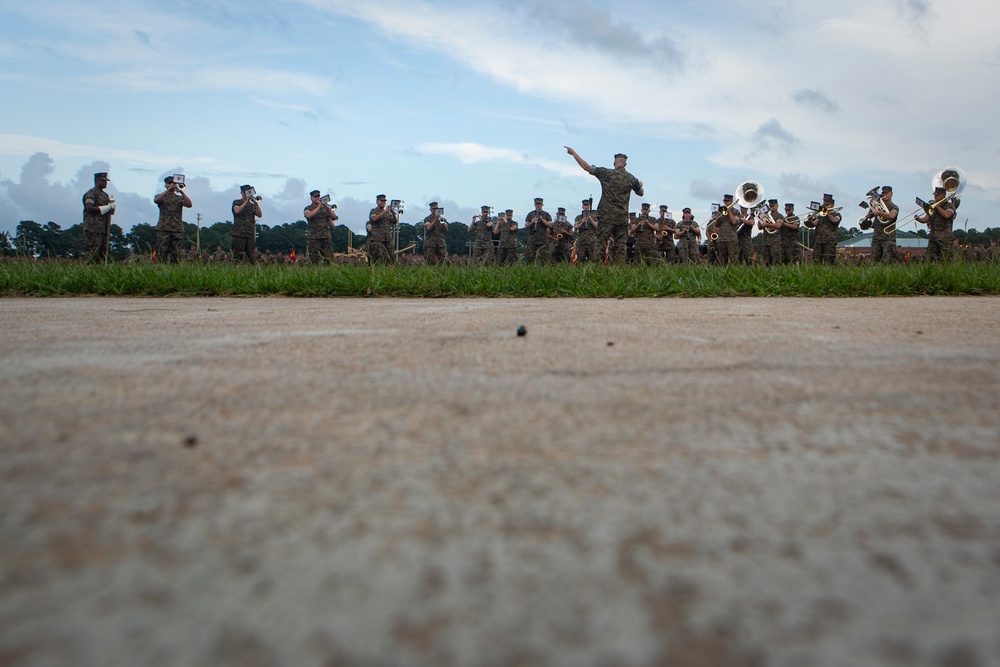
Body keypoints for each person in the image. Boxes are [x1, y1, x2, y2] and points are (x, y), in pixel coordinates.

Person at [564, 147, 643, 264]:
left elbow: (586, 167)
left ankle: (598, 268)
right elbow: (640, 193)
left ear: (614, 163)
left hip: (606, 217)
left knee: (601, 242)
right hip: (622, 217)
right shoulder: (631, 179)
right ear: (625, 165)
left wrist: (574, 153)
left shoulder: (606, 173)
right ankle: (619, 269)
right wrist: (640, 184)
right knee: (621, 246)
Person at [153, 176, 192, 264]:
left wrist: (181, 191)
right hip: (163, 228)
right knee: (162, 252)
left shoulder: (179, 198)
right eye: (170, 183)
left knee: (176, 254)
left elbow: (189, 204)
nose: (172, 185)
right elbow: (156, 200)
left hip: (177, 229)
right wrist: (168, 189)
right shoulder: (161, 196)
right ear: (166, 185)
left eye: (173, 183)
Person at [915, 186, 958, 261]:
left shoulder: (949, 205)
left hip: (945, 238)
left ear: (943, 195)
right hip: (933, 237)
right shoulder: (932, 207)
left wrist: (938, 207)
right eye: (935, 195)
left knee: (946, 259)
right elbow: (926, 218)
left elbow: (947, 215)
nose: (935, 197)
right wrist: (919, 219)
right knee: (930, 258)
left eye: (937, 195)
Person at [82, 171, 115, 263]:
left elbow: (110, 212)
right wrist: (106, 207)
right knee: (92, 253)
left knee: (102, 255)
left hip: (104, 229)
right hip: (93, 228)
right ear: (97, 181)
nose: (105, 183)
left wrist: (111, 206)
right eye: (103, 181)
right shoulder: (91, 193)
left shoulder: (105, 196)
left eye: (106, 181)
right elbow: (89, 207)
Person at [861, 186, 898, 264]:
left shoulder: (894, 207)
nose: (884, 195)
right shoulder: (878, 205)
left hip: (888, 237)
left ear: (891, 194)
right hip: (877, 237)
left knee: (888, 261)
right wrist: (873, 205)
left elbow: (892, 216)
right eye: (883, 193)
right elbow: (869, 216)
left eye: (886, 193)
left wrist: (879, 212)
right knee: (874, 261)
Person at [304, 189, 338, 263]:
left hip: (326, 236)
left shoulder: (325, 208)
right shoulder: (308, 208)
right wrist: (319, 207)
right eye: (315, 197)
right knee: (314, 259)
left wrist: (328, 208)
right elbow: (308, 216)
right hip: (313, 237)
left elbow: (334, 218)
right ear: (311, 198)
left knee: (328, 259)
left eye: (318, 196)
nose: (317, 198)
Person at [231, 185, 263, 263]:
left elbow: (260, 215)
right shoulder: (237, 202)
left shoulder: (252, 206)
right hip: (239, 233)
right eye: (246, 193)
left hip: (250, 233)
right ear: (241, 193)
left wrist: (256, 203)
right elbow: (237, 211)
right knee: (238, 255)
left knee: (251, 255)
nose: (247, 195)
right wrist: (246, 201)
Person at [810, 194, 841, 264]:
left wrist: (826, 212)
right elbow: (814, 224)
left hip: (829, 241)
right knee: (816, 259)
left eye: (827, 205)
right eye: (824, 205)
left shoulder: (836, 214)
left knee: (829, 260)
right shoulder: (820, 215)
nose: (825, 207)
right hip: (819, 240)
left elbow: (835, 220)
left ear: (832, 205)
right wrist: (810, 220)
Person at [367, 194, 397, 264]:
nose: (383, 203)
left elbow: (394, 222)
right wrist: (385, 211)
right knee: (378, 258)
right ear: (377, 202)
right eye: (381, 201)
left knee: (392, 257)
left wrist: (393, 213)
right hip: (377, 239)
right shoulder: (374, 211)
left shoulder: (388, 213)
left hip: (387, 238)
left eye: (384, 201)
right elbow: (374, 219)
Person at [713, 194, 740, 265]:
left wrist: (729, 211)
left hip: (731, 239)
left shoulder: (736, 211)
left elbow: (734, 222)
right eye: (725, 201)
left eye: (728, 201)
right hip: (721, 239)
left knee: (734, 260)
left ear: (731, 201)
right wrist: (718, 216)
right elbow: (716, 225)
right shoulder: (721, 211)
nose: (726, 202)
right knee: (722, 261)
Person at [524, 197, 552, 264]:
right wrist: (532, 222)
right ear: (534, 205)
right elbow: (526, 226)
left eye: (539, 204)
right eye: (536, 204)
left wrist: (542, 220)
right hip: (532, 239)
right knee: (530, 258)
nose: (538, 205)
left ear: (542, 205)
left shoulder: (546, 214)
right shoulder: (530, 214)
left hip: (543, 240)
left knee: (545, 259)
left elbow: (550, 225)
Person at [758, 199, 784, 266]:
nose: (771, 207)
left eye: (773, 205)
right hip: (766, 242)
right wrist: (760, 218)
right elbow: (759, 227)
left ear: (777, 206)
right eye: (770, 205)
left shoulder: (780, 216)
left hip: (775, 242)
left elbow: (778, 225)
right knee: (766, 263)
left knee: (777, 263)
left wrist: (766, 224)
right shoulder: (765, 215)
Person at [573, 199, 598, 263]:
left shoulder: (594, 217)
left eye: (587, 205)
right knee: (580, 261)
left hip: (591, 242)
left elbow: (597, 227)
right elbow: (575, 228)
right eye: (585, 205)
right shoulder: (578, 217)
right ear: (582, 206)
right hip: (581, 242)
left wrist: (590, 219)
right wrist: (582, 222)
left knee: (593, 260)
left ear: (589, 206)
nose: (586, 207)